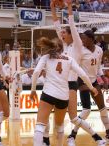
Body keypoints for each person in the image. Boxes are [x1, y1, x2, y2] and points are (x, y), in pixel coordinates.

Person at [49, 1, 106, 146]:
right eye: (61, 33)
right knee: (54, 116)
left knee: (74, 117)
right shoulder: (64, 45)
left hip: (72, 84)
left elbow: (72, 26)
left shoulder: (78, 46)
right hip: (58, 84)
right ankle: (48, 140)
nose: (61, 34)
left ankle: (94, 138)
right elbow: (56, 25)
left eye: (64, 33)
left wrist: (69, 7)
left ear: (71, 35)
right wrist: (52, 8)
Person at [30, 37, 98, 146]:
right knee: (59, 126)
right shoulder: (69, 59)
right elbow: (82, 74)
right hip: (63, 97)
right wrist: (91, 87)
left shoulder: (46, 57)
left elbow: (36, 72)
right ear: (62, 49)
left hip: (48, 93)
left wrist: (33, 90)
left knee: (40, 125)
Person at [67, 28, 109, 145]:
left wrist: (104, 79)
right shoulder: (80, 51)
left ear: (91, 39)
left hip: (94, 81)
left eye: (83, 38)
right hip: (82, 81)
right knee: (86, 110)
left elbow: (99, 67)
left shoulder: (99, 50)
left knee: (103, 108)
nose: (81, 40)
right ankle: (72, 136)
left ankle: (108, 132)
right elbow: (74, 67)